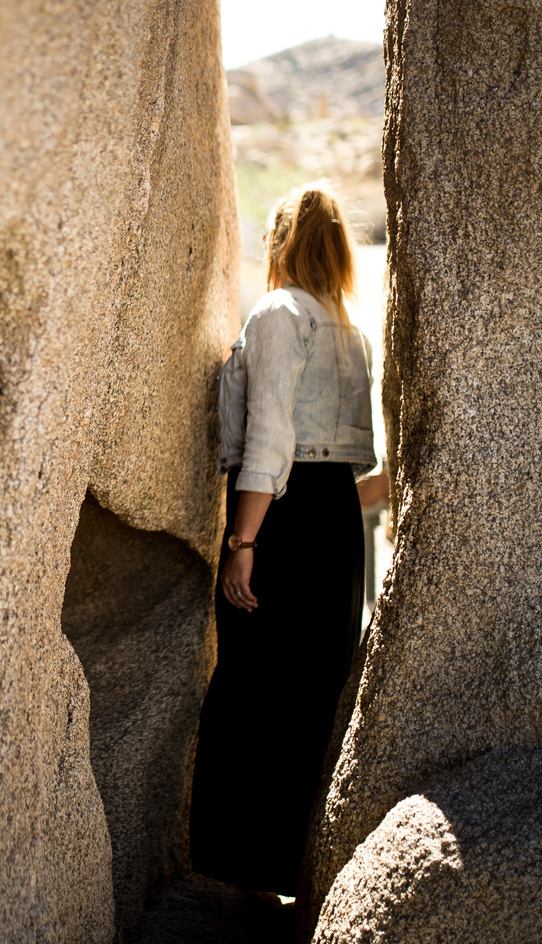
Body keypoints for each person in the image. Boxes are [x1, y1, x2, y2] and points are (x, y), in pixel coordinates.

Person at [189, 179, 377, 898]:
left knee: (252, 691)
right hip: (337, 523)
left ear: (280, 244)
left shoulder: (278, 313)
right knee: (312, 694)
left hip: (282, 516)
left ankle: (242, 879)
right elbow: (359, 462)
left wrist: (243, 543)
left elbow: (271, 437)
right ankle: (297, 871)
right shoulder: (350, 333)